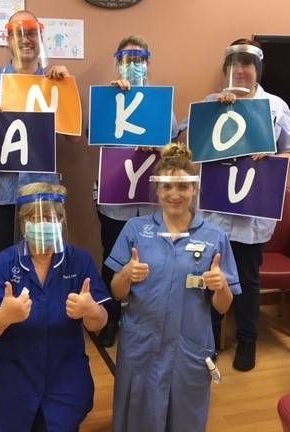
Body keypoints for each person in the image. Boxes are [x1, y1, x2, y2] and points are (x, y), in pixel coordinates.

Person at [106, 143, 240, 432]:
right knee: (136, 412)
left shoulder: (215, 237)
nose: (175, 194)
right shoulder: (136, 229)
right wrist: (126, 274)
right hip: (141, 343)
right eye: (167, 186)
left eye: (182, 186)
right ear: (157, 190)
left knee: (185, 416)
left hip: (188, 345)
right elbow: (117, 292)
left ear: (194, 189)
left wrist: (220, 287)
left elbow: (223, 306)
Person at [194, 38, 290, 371]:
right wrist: (215, 111)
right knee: (210, 277)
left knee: (246, 281)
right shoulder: (211, 102)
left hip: (251, 214)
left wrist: (271, 156)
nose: (240, 70)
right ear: (226, 69)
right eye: (234, 64)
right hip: (214, 211)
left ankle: (247, 342)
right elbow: (191, 146)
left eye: (247, 64)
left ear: (257, 69)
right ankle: (210, 342)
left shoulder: (275, 106)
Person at [0, 182, 110, 432]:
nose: (43, 224)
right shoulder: (3, 264)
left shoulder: (79, 261)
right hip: (12, 383)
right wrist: (3, 317)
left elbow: (99, 323)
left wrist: (91, 311)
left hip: (64, 379)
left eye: (51, 218)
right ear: (23, 223)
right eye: (35, 218)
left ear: (61, 221)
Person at [95, 35, 184, 347]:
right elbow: (94, 136)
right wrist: (110, 101)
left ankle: (145, 320)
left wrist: (159, 148)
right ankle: (110, 320)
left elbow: (174, 148)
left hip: (150, 201)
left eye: (139, 59)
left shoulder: (161, 103)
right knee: (113, 261)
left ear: (148, 63)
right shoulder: (106, 97)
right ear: (117, 63)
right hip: (115, 199)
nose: (133, 65)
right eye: (127, 59)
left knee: (152, 262)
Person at [0, 10, 77, 254]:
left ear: (40, 38)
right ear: (7, 39)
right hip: (4, 191)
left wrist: (66, 89)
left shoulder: (54, 80)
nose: (25, 40)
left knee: (46, 257)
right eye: (18, 34)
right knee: (6, 258)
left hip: (44, 190)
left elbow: (73, 137)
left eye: (32, 33)